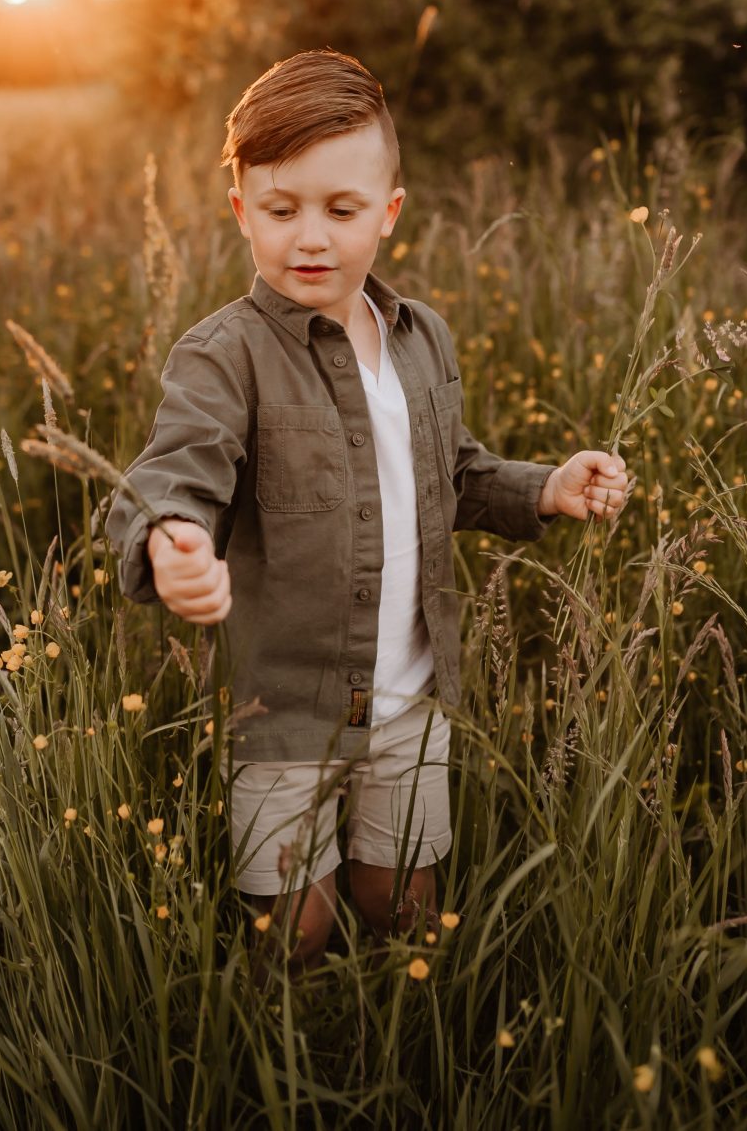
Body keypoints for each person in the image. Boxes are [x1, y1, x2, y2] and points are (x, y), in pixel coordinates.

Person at [104, 48, 628, 971]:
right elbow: (177, 468)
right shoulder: (224, 356)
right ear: (241, 212)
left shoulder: (421, 339)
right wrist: (172, 537)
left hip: (412, 698)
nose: (311, 237)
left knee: (403, 896)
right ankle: (285, 1061)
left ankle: (405, 1029)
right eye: (280, 209)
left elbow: (452, 474)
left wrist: (544, 486)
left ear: (388, 213)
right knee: (292, 928)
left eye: (340, 211)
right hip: (292, 707)